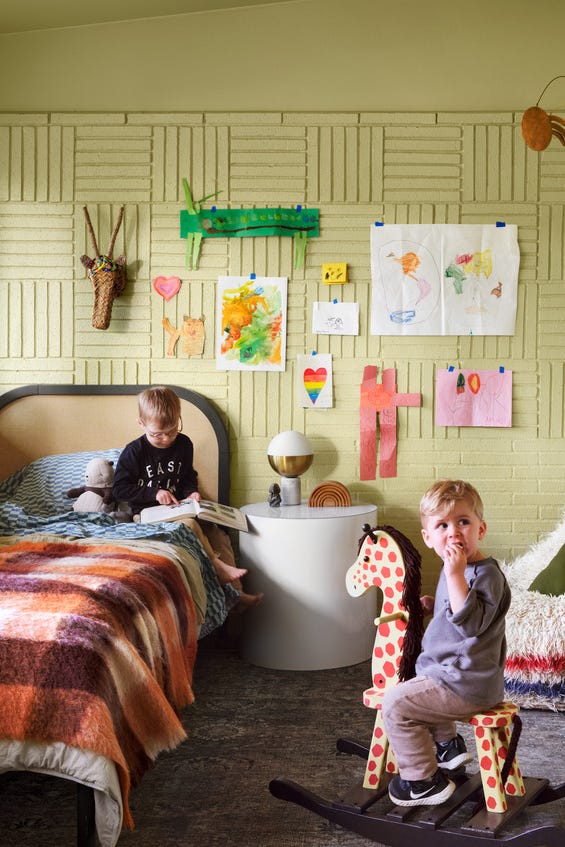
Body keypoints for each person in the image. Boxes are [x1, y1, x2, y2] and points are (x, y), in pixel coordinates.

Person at [382, 479, 511, 807]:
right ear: (428, 538)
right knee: (423, 679)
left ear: (481, 530)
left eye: (463, 522)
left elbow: (470, 624)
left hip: (465, 682)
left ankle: (422, 780)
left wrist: (454, 576)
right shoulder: (458, 568)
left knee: (396, 703)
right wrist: (432, 607)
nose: (454, 532)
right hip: (456, 675)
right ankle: (448, 747)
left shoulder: (486, 575)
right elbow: (454, 613)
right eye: (442, 525)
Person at [113, 386, 262, 608]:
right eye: (157, 434)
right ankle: (216, 566)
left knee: (219, 535)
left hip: (179, 507)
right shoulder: (134, 452)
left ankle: (236, 594)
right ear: (141, 424)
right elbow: (119, 488)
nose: (166, 438)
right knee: (189, 524)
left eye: (172, 431)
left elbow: (187, 476)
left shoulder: (184, 444)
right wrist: (154, 492)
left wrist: (191, 491)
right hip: (145, 515)